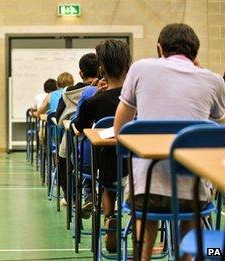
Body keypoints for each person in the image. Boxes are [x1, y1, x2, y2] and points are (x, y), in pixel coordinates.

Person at [114, 23, 225, 260]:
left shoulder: (140, 68)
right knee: (194, 194)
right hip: (193, 195)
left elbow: (120, 127)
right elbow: (220, 125)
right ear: (196, 56)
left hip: (145, 191)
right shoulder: (214, 81)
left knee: (146, 190)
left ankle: (142, 255)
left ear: (159, 49)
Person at [73, 40, 131, 253]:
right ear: (128, 66)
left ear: (101, 69)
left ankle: (110, 216)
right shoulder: (138, 98)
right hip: (140, 168)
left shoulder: (94, 101)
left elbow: (79, 128)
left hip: (111, 168)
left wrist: (96, 95)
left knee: (108, 167)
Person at [54, 53, 100, 209]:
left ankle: (71, 198)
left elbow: (59, 120)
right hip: (105, 146)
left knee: (63, 162)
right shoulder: (105, 90)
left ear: (81, 73)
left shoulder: (67, 94)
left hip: (75, 143)